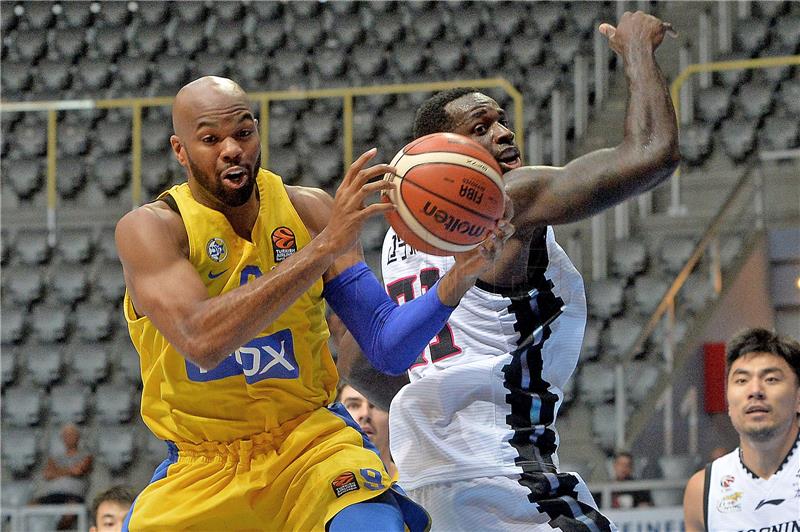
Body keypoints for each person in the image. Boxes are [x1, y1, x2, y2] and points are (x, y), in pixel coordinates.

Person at [115, 76, 511, 531]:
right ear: (180, 151)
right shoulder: (151, 230)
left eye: (244, 133)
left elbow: (386, 347)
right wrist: (320, 250)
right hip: (204, 466)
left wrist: (459, 277)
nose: (231, 149)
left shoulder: (309, 212)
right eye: (210, 139)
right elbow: (202, 340)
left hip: (310, 445)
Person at [337, 11, 680, 530]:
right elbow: (652, 154)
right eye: (481, 128)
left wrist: (438, 404)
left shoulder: (395, 238)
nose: (502, 132)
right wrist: (637, 48)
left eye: (500, 120)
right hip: (508, 484)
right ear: (443, 153)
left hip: (423, 486)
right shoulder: (502, 203)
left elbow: (360, 365)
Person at [683, 328, 800, 532]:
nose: (755, 390)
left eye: (771, 379)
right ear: (728, 400)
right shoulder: (702, 490)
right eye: (741, 380)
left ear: (798, 398)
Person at [34, 424, 93, 529]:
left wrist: (57, 471)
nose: (69, 437)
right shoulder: (55, 457)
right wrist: (69, 470)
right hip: (53, 495)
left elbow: (78, 471)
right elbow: (47, 474)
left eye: (72, 434)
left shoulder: (86, 455)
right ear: (62, 438)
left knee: (70, 513)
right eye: (66, 435)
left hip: (73, 496)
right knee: (31, 506)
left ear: (78, 436)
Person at [338, 383, 398, 479]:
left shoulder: (416, 486)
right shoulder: (315, 482)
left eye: (376, 404)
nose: (365, 413)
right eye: (353, 405)